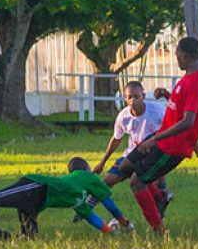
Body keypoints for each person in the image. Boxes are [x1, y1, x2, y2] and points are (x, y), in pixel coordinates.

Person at [114, 37, 198, 234]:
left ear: (186, 56)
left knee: (137, 182)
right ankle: (161, 197)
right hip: (162, 137)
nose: (177, 59)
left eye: (178, 56)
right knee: (125, 166)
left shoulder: (195, 81)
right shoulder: (188, 78)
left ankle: (159, 230)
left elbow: (188, 121)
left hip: (171, 147)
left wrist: (154, 140)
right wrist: (167, 95)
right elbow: (181, 108)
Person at [77, 81, 179, 222]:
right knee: (107, 181)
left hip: (152, 154)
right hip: (131, 156)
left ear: (143, 96)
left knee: (147, 182)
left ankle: (158, 212)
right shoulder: (123, 116)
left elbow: (173, 125)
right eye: (129, 97)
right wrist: (102, 162)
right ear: (125, 99)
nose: (133, 101)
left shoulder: (157, 110)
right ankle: (85, 210)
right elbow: (116, 138)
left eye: (137, 96)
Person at [0, 157, 133, 239]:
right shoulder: (87, 177)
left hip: (37, 203)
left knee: (28, 240)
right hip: (36, 187)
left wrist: (109, 232)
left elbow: (92, 218)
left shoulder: (78, 198)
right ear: (85, 169)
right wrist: (124, 222)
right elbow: (109, 204)